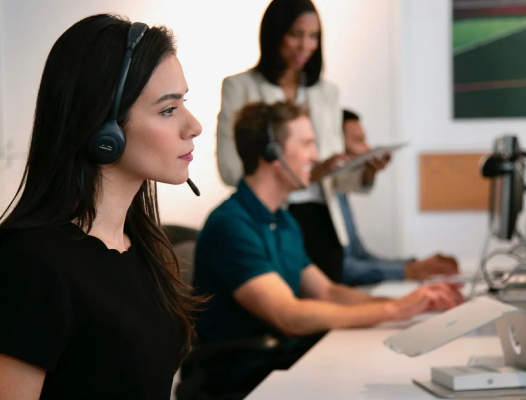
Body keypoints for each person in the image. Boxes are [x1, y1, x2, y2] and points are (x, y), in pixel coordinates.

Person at [0, 14, 203, 400]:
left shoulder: (142, 248)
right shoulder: (27, 266)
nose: (194, 125)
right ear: (106, 131)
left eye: (183, 103)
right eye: (168, 110)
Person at [194, 101, 465, 393]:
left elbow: (328, 292)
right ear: (272, 154)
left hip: (282, 364)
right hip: (246, 380)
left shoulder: (282, 220)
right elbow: (288, 316)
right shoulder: (232, 225)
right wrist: (393, 310)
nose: (316, 155)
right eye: (308, 144)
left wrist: (416, 303)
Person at [215, 0, 385, 283]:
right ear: (274, 34)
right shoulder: (240, 87)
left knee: (329, 307)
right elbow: (230, 170)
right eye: (295, 34)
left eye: (313, 36)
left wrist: (365, 171)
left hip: (324, 222)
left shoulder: (326, 93)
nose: (305, 45)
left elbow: (335, 177)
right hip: (274, 216)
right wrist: (305, 175)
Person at [339, 110, 459, 286]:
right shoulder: (313, 203)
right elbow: (340, 269)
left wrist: (414, 264)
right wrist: (406, 270)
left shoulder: (339, 194)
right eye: (358, 141)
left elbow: (360, 256)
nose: (367, 149)